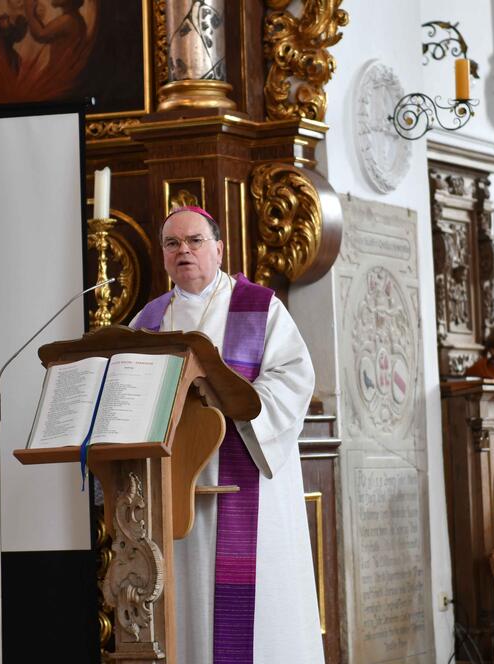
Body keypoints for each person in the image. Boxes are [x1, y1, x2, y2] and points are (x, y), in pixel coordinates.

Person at [130, 206, 323, 664]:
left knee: (257, 620)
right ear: (163, 256)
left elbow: (294, 378)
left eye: (195, 241)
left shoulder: (258, 307)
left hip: (245, 479)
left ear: (218, 249)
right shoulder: (149, 320)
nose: (184, 251)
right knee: (186, 605)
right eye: (173, 244)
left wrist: (234, 406)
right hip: (176, 487)